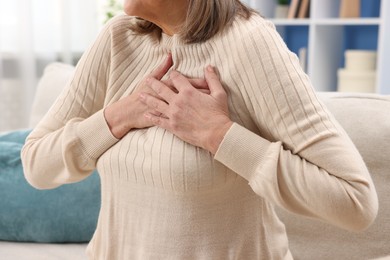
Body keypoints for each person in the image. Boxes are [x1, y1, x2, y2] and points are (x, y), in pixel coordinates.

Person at [21, 0, 378, 259]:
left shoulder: (249, 43)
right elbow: (37, 164)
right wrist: (117, 117)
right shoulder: (118, 40)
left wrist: (220, 136)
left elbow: (355, 201)